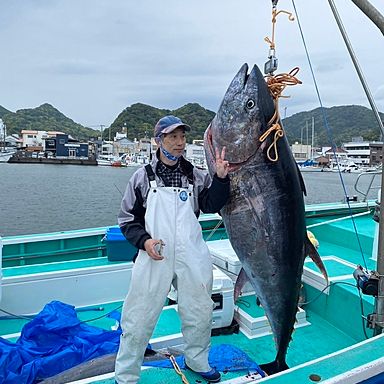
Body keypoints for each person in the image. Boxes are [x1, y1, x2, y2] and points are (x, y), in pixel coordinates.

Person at [115, 115, 230, 384]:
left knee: (200, 310)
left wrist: (222, 180)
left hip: (192, 252)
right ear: (159, 140)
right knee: (139, 315)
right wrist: (145, 242)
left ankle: (197, 360)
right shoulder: (142, 177)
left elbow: (211, 205)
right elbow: (127, 220)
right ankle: (126, 375)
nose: (180, 143)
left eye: (182, 137)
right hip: (155, 253)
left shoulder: (196, 175)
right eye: (173, 137)